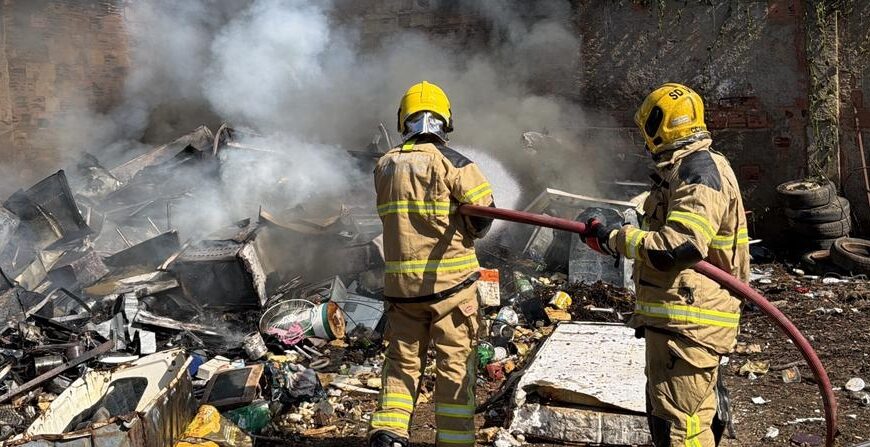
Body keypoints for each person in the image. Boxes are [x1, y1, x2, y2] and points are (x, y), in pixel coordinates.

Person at [580, 83, 750, 447]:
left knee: (681, 428)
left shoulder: (698, 173)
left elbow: (680, 246)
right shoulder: (685, 171)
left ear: (657, 128)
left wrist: (614, 238)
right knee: (675, 418)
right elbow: (670, 222)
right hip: (682, 322)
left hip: (690, 324)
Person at [369, 81, 495, 447]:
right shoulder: (455, 163)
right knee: (455, 367)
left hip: (402, 291)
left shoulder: (384, 165)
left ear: (403, 119)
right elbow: (483, 216)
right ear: (445, 121)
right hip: (452, 290)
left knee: (402, 363)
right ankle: (454, 441)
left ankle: (389, 433)